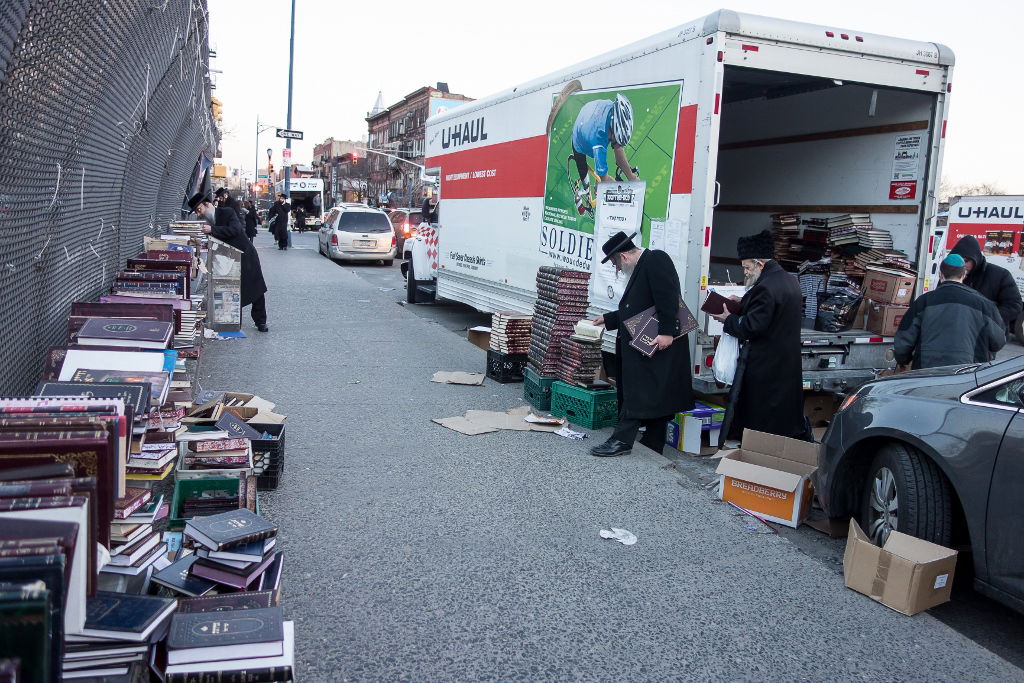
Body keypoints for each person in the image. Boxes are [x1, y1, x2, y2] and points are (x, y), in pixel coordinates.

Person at [588, 231, 694, 457]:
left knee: (639, 391)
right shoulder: (643, 265)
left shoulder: (656, 259)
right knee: (655, 395)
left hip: (659, 341)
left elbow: (668, 297)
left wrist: (667, 332)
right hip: (648, 342)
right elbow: (638, 307)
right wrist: (609, 319)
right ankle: (654, 442)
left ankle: (621, 440)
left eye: (616, 265)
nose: (617, 270)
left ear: (623, 257)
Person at [711, 229, 805, 444]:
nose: (745, 272)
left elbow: (753, 326)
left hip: (767, 364)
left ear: (759, 264)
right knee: (781, 413)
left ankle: (757, 450)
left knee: (761, 412)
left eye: (746, 267)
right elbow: (769, 309)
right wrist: (742, 302)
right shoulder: (786, 280)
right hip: (784, 361)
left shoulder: (766, 286)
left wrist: (728, 319)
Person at [893, 253, 1005, 369]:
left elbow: (904, 341)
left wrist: (903, 359)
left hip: (926, 373)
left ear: (941, 274)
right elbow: (998, 341)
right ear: (964, 274)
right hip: (969, 374)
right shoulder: (984, 304)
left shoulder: (924, 302)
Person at [189, 193, 270, 332]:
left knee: (256, 288)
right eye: (197, 211)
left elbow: (235, 229)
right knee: (232, 289)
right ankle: (232, 321)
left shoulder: (227, 212)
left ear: (207, 205)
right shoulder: (207, 222)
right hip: (227, 259)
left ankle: (261, 321)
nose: (199, 214)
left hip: (245, 254)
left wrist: (212, 230)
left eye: (199, 209)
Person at [571, 94, 639, 210]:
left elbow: (619, 152)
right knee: (587, 172)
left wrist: (631, 176)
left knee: (615, 142)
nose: (615, 143)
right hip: (580, 137)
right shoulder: (598, 141)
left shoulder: (611, 107)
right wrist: (623, 191)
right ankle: (585, 188)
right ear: (610, 131)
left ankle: (594, 186)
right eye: (614, 138)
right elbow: (605, 179)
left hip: (590, 113)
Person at [949, 235, 1022, 331]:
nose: (962, 265)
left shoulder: (1000, 275)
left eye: (966, 261)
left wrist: (985, 318)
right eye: (958, 261)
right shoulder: (950, 274)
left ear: (975, 258)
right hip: (957, 332)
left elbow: (1014, 306)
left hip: (987, 334)